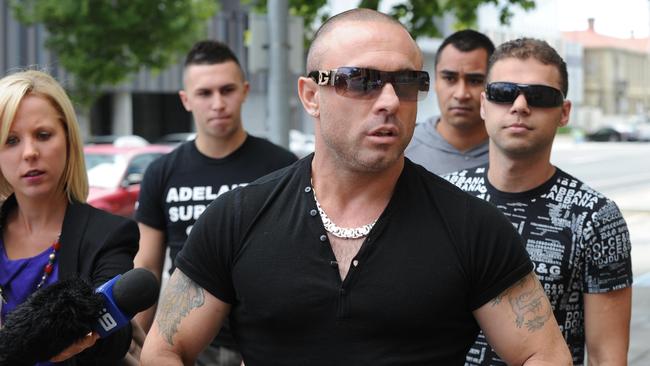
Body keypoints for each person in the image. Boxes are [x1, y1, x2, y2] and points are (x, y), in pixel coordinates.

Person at [140, 9, 572, 365]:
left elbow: (543, 353)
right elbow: (165, 349)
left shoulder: (472, 226)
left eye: (406, 82)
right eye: (360, 80)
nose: (388, 101)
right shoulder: (237, 217)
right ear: (311, 95)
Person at [444, 38, 633, 365]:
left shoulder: (596, 218)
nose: (519, 105)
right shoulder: (445, 197)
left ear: (564, 112)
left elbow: (607, 357)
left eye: (539, 96)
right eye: (504, 92)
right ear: (483, 104)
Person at [133, 40, 297, 365]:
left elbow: (298, 259)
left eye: (227, 90)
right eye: (205, 93)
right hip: (188, 341)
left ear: (245, 90)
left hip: (266, 339)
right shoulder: (161, 173)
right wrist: (136, 343)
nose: (218, 103)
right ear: (186, 100)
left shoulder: (282, 166)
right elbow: (147, 267)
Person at [0, 70, 139, 364]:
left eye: (43, 135)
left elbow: (113, 340)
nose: (29, 152)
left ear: (68, 139)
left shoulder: (110, 234)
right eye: (11, 140)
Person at [405, 29, 493, 175]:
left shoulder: (511, 154)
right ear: (435, 81)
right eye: (450, 78)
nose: (461, 94)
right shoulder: (402, 148)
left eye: (475, 81)